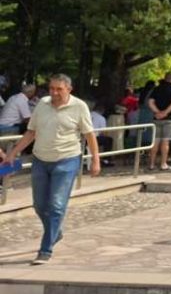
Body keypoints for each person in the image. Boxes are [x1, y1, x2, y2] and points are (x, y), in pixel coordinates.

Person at [0, 74, 100, 265]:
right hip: (40, 160)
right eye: (51, 88)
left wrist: (96, 160)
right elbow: (31, 132)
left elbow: (89, 135)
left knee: (56, 205)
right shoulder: (43, 104)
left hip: (67, 160)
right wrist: (12, 154)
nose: (54, 92)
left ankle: (45, 249)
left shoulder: (79, 107)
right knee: (39, 205)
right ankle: (55, 231)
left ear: (69, 89)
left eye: (59, 89)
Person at [147, 72, 171, 170]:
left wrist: (157, 112)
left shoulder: (156, 89)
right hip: (169, 119)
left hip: (156, 118)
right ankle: (163, 164)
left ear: (165, 78)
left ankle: (151, 164)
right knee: (165, 142)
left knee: (155, 141)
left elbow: (150, 102)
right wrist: (165, 113)